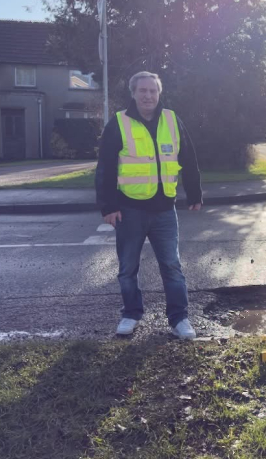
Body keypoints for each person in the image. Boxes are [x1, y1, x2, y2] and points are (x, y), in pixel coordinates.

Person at [96, 71, 203, 339]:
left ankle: (179, 319)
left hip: (165, 209)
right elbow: (106, 167)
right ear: (133, 93)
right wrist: (108, 206)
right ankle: (131, 313)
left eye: (153, 91)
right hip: (130, 210)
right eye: (142, 91)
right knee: (127, 268)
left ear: (159, 93)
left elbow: (188, 157)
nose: (148, 96)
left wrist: (194, 192)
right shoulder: (118, 123)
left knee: (172, 266)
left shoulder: (171, 119)